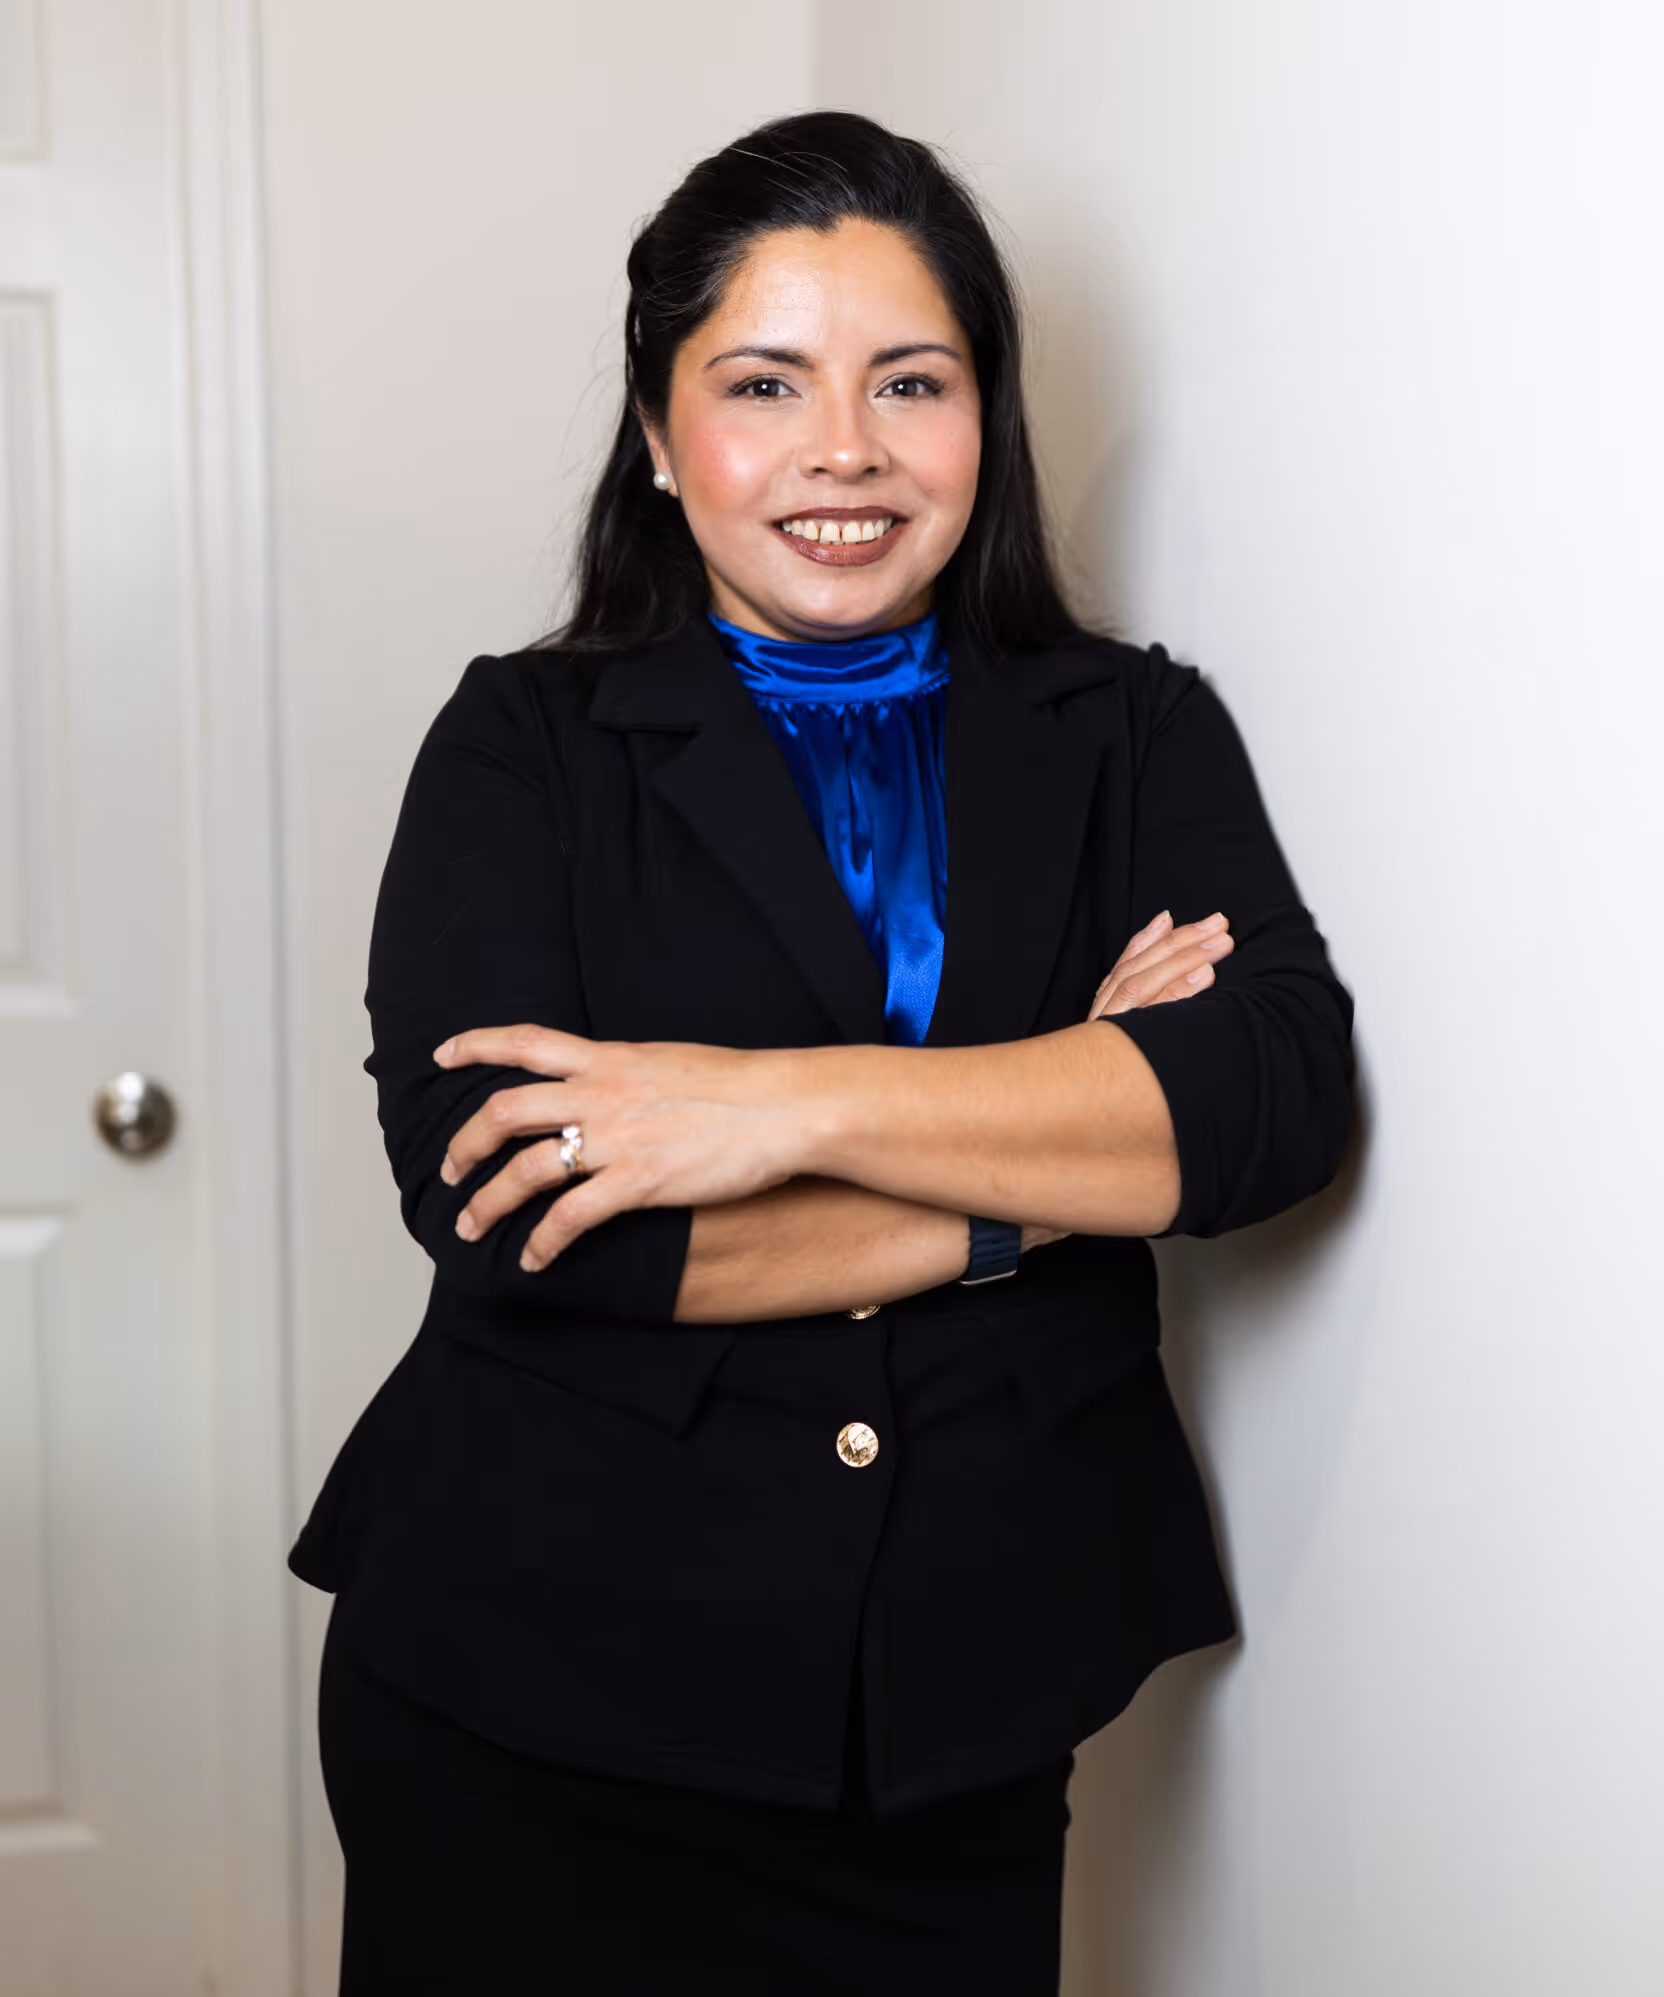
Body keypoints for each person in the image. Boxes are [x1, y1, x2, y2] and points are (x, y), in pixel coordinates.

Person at [290, 110, 1354, 1994]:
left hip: (963, 1708)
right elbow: (520, 1209)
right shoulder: (521, 744)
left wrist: (753, 1108)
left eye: (910, 382)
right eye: (763, 383)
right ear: (656, 430)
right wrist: (1044, 1167)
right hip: (529, 1695)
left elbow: (1265, 1101)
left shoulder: (1131, 730)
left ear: (984, 417)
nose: (843, 449)